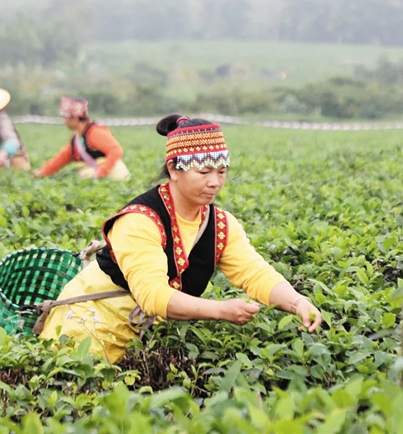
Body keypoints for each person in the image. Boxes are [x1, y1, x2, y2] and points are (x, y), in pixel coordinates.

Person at [38, 114, 323, 363]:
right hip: (84, 333)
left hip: (144, 338)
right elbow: (153, 295)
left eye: (222, 172)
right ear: (174, 169)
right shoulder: (138, 220)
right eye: (204, 172)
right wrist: (220, 310)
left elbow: (255, 273)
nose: (215, 182)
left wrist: (297, 302)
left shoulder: (220, 224)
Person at [33, 96, 130, 181]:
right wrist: (42, 172)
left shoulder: (95, 132)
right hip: (100, 175)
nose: (64, 121)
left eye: (66, 118)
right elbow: (61, 158)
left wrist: (101, 172)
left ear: (75, 118)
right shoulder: (76, 139)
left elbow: (116, 150)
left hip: (113, 174)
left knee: (83, 175)